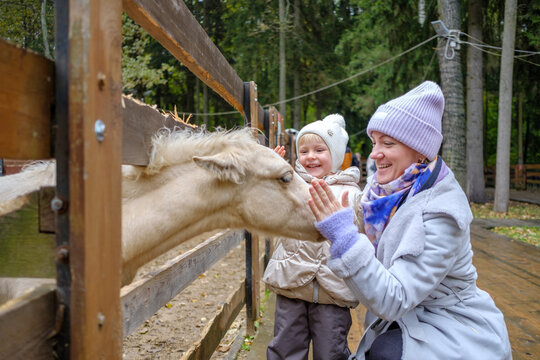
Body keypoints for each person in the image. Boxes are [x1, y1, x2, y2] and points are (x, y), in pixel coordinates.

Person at [307, 81, 511, 360]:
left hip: (451, 324)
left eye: (387, 143)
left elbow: (395, 299)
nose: (375, 153)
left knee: (384, 353)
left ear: (420, 151)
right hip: (406, 319)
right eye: (374, 142)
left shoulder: (442, 212)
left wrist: (344, 236)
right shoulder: (382, 195)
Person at [263, 114, 363, 360]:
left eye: (320, 150)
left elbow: (361, 229)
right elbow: (268, 207)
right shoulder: (290, 183)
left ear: (336, 156)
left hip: (333, 289)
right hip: (291, 283)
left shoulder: (351, 193)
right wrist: (272, 173)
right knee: (285, 346)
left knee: (331, 350)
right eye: (304, 151)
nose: (310, 156)